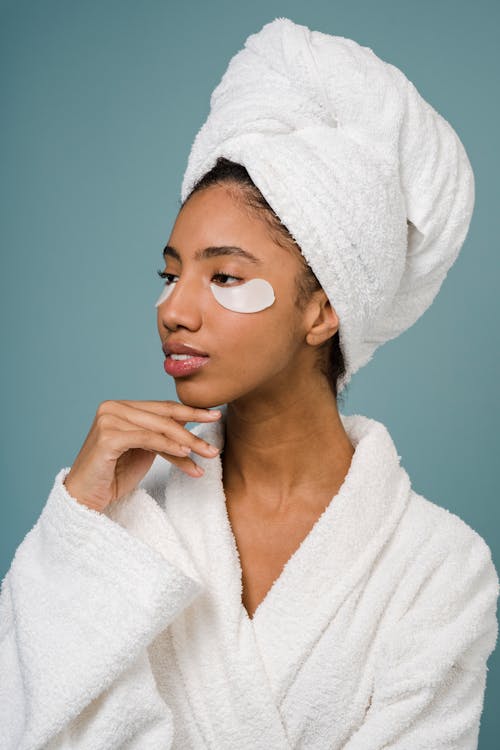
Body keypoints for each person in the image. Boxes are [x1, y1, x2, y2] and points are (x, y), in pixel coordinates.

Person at [1, 17, 498, 750]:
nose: (173, 308)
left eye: (225, 276)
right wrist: (76, 519)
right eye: (170, 274)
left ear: (322, 309)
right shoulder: (127, 532)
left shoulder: (440, 568)